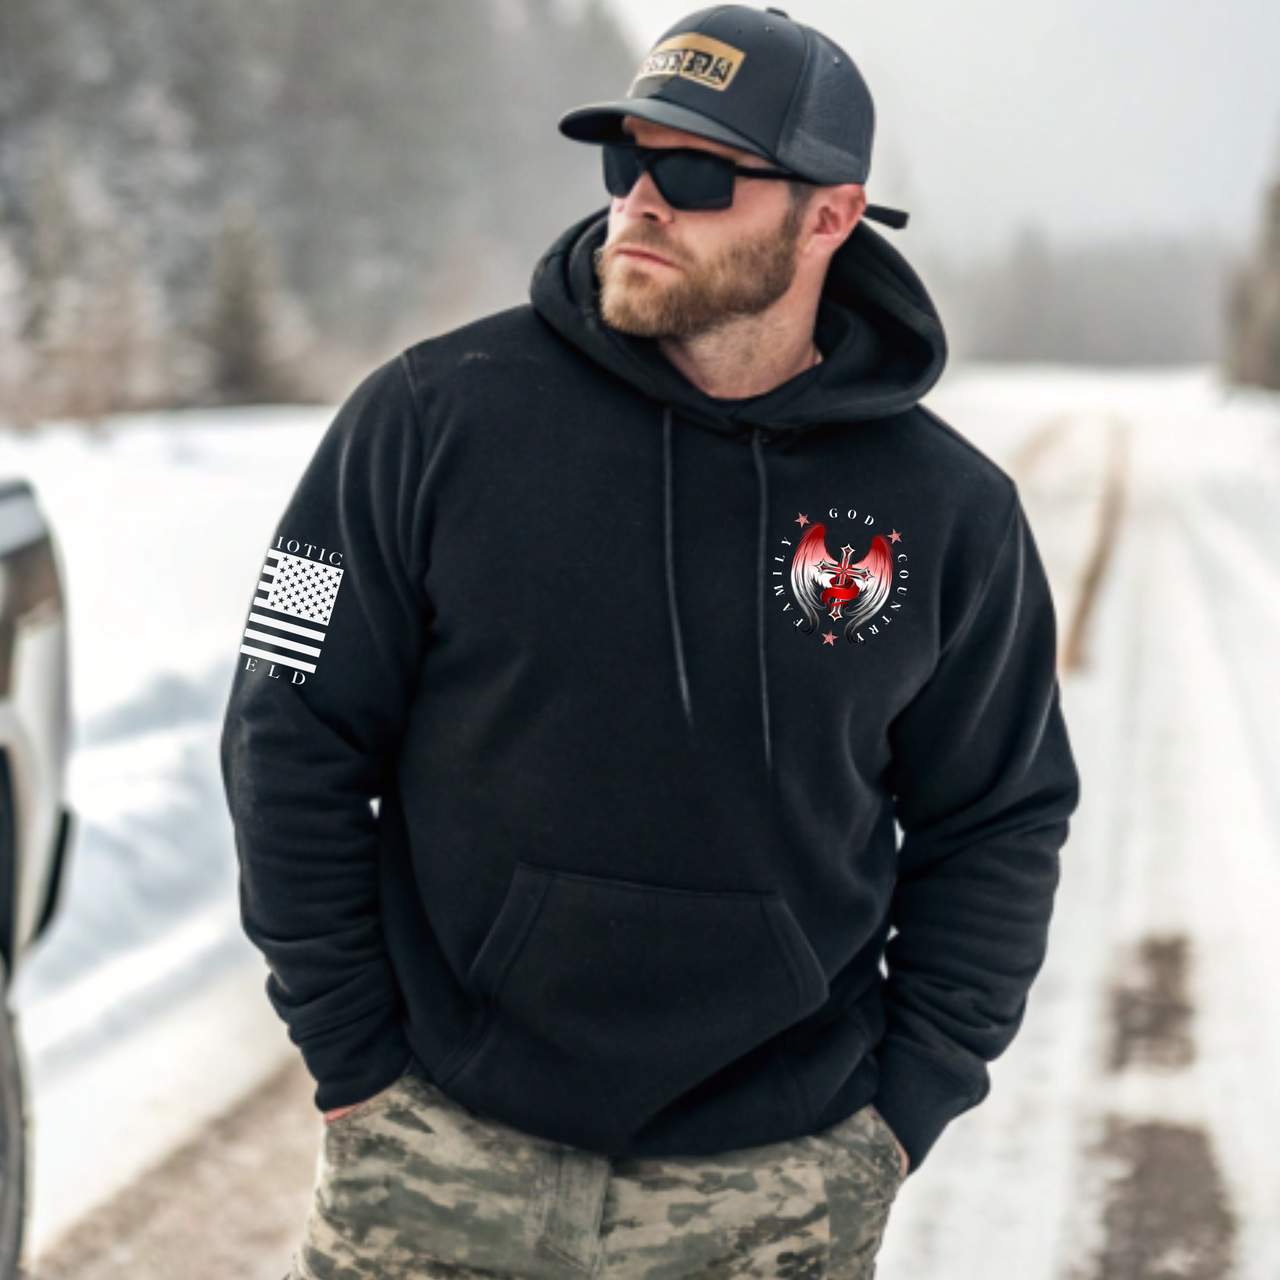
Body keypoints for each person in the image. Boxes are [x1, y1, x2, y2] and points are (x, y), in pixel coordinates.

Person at [221, 6, 1079, 1277]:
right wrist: (354, 1056)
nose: (639, 203)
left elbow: (997, 818)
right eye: (626, 160)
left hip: (771, 1184)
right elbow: (284, 727)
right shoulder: (423, 420)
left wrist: (898, 1114)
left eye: (695, 174)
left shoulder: (948, 513)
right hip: (439, 1153)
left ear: (828, 218)